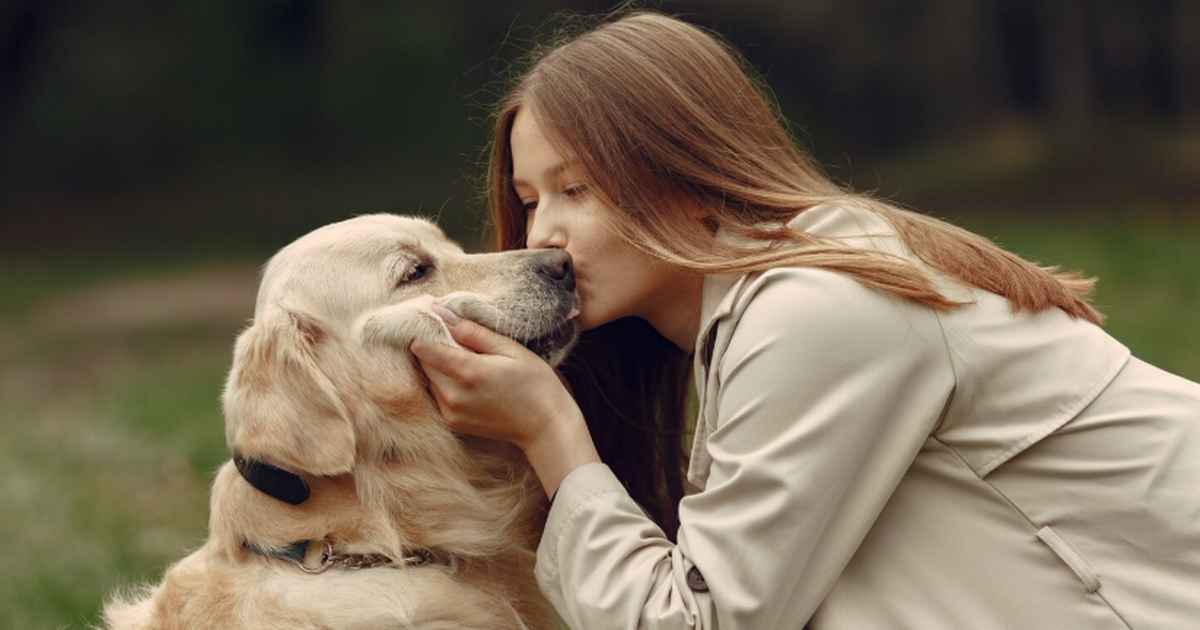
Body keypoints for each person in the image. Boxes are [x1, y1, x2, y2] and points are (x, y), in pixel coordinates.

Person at [409, 11, 1200, 630]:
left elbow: (696, 620)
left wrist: (550, 430)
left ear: (685, 168)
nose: (541, 235)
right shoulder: (768, 307)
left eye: (575, 189)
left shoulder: (817, 308)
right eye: (529, 201)